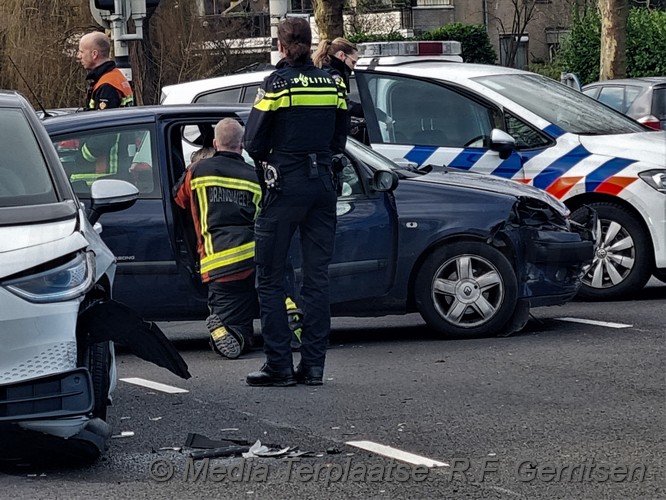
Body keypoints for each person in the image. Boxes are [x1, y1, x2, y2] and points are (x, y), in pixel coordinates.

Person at [243, 17, 348, 387]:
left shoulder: (277, 84)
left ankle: (279, 366)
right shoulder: (333, 82)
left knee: (270, 278)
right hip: (323, 185)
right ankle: (314, 366)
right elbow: (341, 136)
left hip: (285, 186)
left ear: (282, 46)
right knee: (316, 279)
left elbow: (252, 142)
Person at [173, 118, 262, 359]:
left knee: (228, 321)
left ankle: (226, 329)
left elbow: (178, 200)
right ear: (241, 145)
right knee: (243, 316)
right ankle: (270, 326)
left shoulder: (197, 172)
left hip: (216, 263)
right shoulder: (254, 177)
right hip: (250, 259)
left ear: (214, 143)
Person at [312, 37, 393, 138]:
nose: (353, 68)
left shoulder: (321, 71)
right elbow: (345, 105)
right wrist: (379, 115)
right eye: (353, 62)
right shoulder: (332, 75)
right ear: (341, 55)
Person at [77, 31, 134, 110]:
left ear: (94, 54)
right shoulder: (115, 76)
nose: (79, 56)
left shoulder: (106, 86)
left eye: (81, 52)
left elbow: (103, 120)